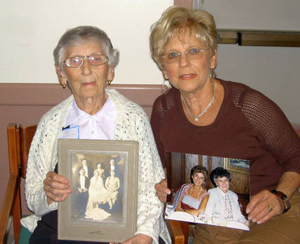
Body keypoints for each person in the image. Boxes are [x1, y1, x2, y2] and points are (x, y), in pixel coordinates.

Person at [149, 6, 300, 243]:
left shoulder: (247, 105)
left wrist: (279, 196)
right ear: (163, 67)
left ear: (212, 58)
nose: (184, 63)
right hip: (213, 222)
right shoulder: (163, 109)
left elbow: (296, 155)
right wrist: (164, 187)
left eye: (194, 51)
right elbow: (166, 170)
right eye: (173, 55)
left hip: (271, 214)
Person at [25, 25, 170, 244]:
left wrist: (144, 234)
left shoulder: (133, 117)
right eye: (74, 61)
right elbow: (33, 200)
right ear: (61, 73)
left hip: (127, 225)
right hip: (62, 227)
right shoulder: (50, 123)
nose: (86, 70)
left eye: (96, 59)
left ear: (110, 70)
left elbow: (152, 190)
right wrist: (49, 194)